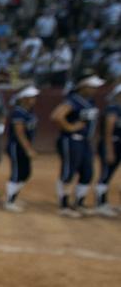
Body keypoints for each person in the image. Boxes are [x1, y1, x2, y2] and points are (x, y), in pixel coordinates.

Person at [50, 74, 105, 218]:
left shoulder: (90, 101)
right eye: (92, 87)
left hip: (85, 141)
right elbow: (57, 115)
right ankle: (64, 204)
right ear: (83, 86)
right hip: (72, 140)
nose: (95, 90)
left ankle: (79, 202)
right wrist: (70, 127)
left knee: (87, 172)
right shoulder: (73, 100)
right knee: (68, 172)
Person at [3, 86, 40, 212]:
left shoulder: (29, 111)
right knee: (17, 172)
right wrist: (28, 149)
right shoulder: (18, 112)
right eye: (31, 97)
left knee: (25, 173)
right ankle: (9, 201)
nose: (34, 99)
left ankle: (13, 196)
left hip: (24, 146)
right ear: (24, 98)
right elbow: (19, 133)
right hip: (17, 147)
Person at [95, 83, 121, 217]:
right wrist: (109, 149)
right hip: (112, 144)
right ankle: (100, 204)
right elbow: (108, 132)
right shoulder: (113, 109)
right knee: (106, 174)